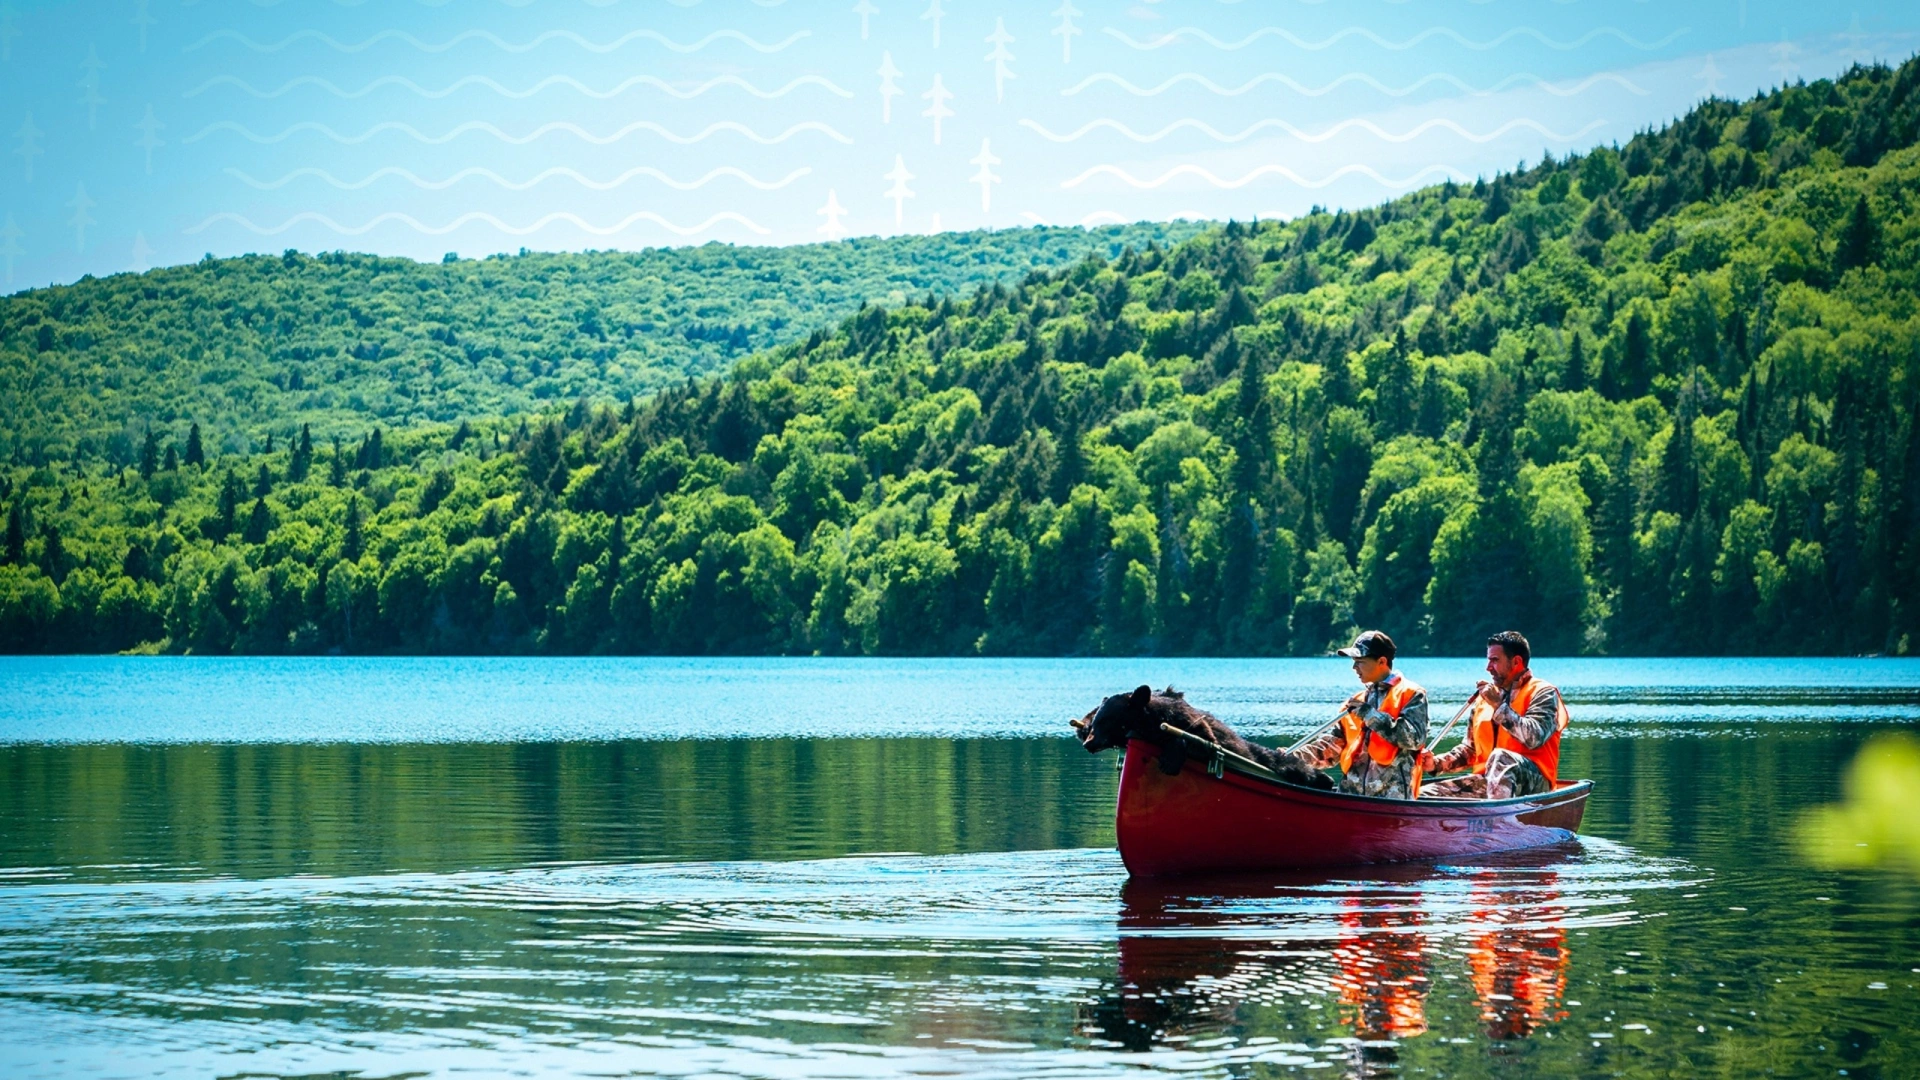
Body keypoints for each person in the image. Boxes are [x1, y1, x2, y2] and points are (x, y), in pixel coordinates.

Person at [1421, 630, 1569, 799]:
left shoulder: (1543, 693)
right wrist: (1435, 764)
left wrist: (1498, 705)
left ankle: (1497, 820)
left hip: (1533, 784)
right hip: (1487, 781)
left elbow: (1534, 737)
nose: (1488, 667)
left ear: (1516, 662)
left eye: (1495, 660)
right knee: (1421, 795)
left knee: (1501, 757)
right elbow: (1470, 750)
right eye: (1488, 660)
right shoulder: (1484, 699)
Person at [1298, 630, 1428, 799]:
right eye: (1354, 662)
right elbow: (1331, 748)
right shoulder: (1356, 702)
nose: (1354, 668)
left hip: (1392, 803)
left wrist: (1369, 715)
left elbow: (1414, 739)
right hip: (1350, 799)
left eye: (1360, 662)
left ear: (1382, 661)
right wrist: (1290, 759)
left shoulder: (1412, 694)